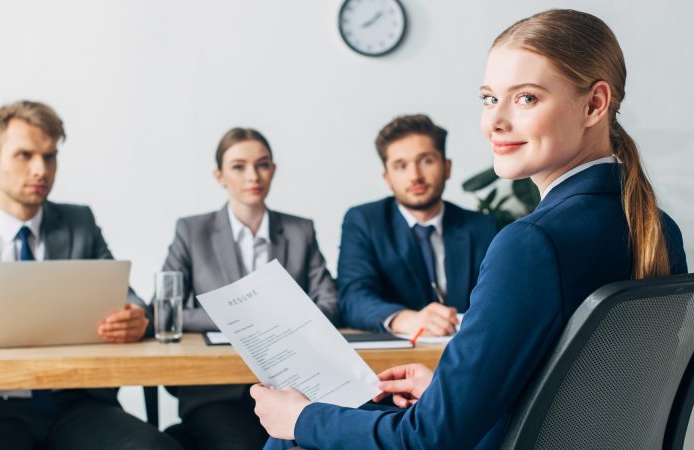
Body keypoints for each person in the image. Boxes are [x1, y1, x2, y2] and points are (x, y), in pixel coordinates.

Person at [251, 9, 688, 449]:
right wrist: (450, 389)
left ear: (594, 104)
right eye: (488, 98)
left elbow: (428, 440)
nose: (494, 121)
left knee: (292, 437)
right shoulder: (658, 229)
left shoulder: (532, 244)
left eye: (526, 98)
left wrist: (301, 419)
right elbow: (579, 398)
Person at [0, 100, 182, 450]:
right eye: (24, 155)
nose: (40, 170)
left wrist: (136, 316)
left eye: (49, 156)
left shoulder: (80, 224)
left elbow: (127, 296)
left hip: (76, 404)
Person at [161, 127, 340, 450]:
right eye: (238, 166)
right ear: (220, 176)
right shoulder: (192, 231)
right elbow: (164, 309)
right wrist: (243, 321)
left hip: (294, 386)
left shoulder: (300, 230)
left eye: (263, 164)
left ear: (273, 170)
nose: (253, 175)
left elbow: (328, 301)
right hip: (218, 390)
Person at [338, 114, 498, 336]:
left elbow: (497, 297)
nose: (415, 176)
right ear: (387, 177)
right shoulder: (364, 222)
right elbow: (353, 297)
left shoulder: (481, 226)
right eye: (401, 166)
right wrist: (406, 319)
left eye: (426, 161)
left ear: (447, 167)